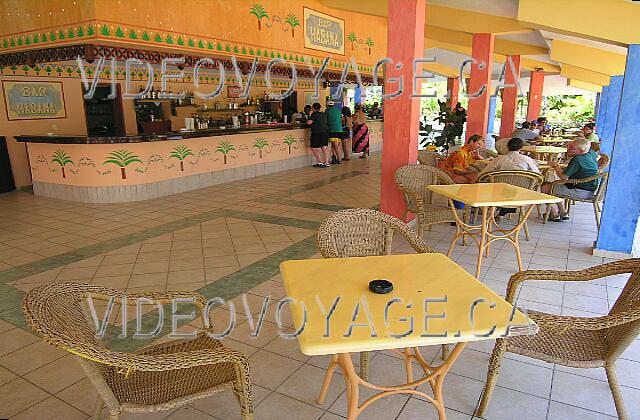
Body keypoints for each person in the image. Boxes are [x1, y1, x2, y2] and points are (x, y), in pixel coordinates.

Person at [542, 138, 599, 221]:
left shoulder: (577, 159)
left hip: (579, 191)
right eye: (569, 146)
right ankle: (563, 212)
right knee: (550, 184)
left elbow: (563, 177)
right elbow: (600, 158)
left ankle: (553, 213)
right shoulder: (591, 153)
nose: (567, 149)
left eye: (572, 148)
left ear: (581, 151)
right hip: (590, 190)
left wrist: (556, 166)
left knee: (542, 188)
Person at [306, 102, 330, 167]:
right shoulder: (323, 114)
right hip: (325, 132)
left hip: (317, 132)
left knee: (314, 147)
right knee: (324, 146)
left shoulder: (314, 114)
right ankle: (326, 162)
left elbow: (309, 122)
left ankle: (320, 162)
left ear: (313, 108)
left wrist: (310, 115)